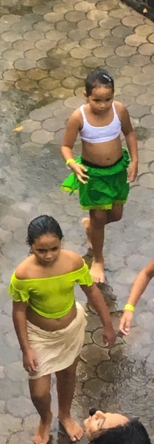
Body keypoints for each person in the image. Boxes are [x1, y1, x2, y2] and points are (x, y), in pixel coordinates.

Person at [10, 215, 117, 444]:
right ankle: (45, 417)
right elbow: (18, 312)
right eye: (41, 250)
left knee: (68, 374)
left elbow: (93, 293)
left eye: (54, 248)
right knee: (39, 391)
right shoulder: (23, 275)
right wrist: (26, 349)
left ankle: (65, 414)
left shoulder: (74, 262)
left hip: (70, 329)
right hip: (39, 334)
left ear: (62, 242)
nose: (48, 255)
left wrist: (108, 324)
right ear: (30, 246)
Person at [61, 68, 137, 285]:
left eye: (107, 99)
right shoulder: (79, 117)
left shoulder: (119, 110)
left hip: (116, 171)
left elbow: (129, 133)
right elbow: (66, 146)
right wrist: (72, 163)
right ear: (86, 96)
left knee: (116, 214)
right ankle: (98, 259)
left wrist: (134, 160)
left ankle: (91, 228)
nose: (103, 105)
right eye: (97, 100)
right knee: (99, 218)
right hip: (92, 175)